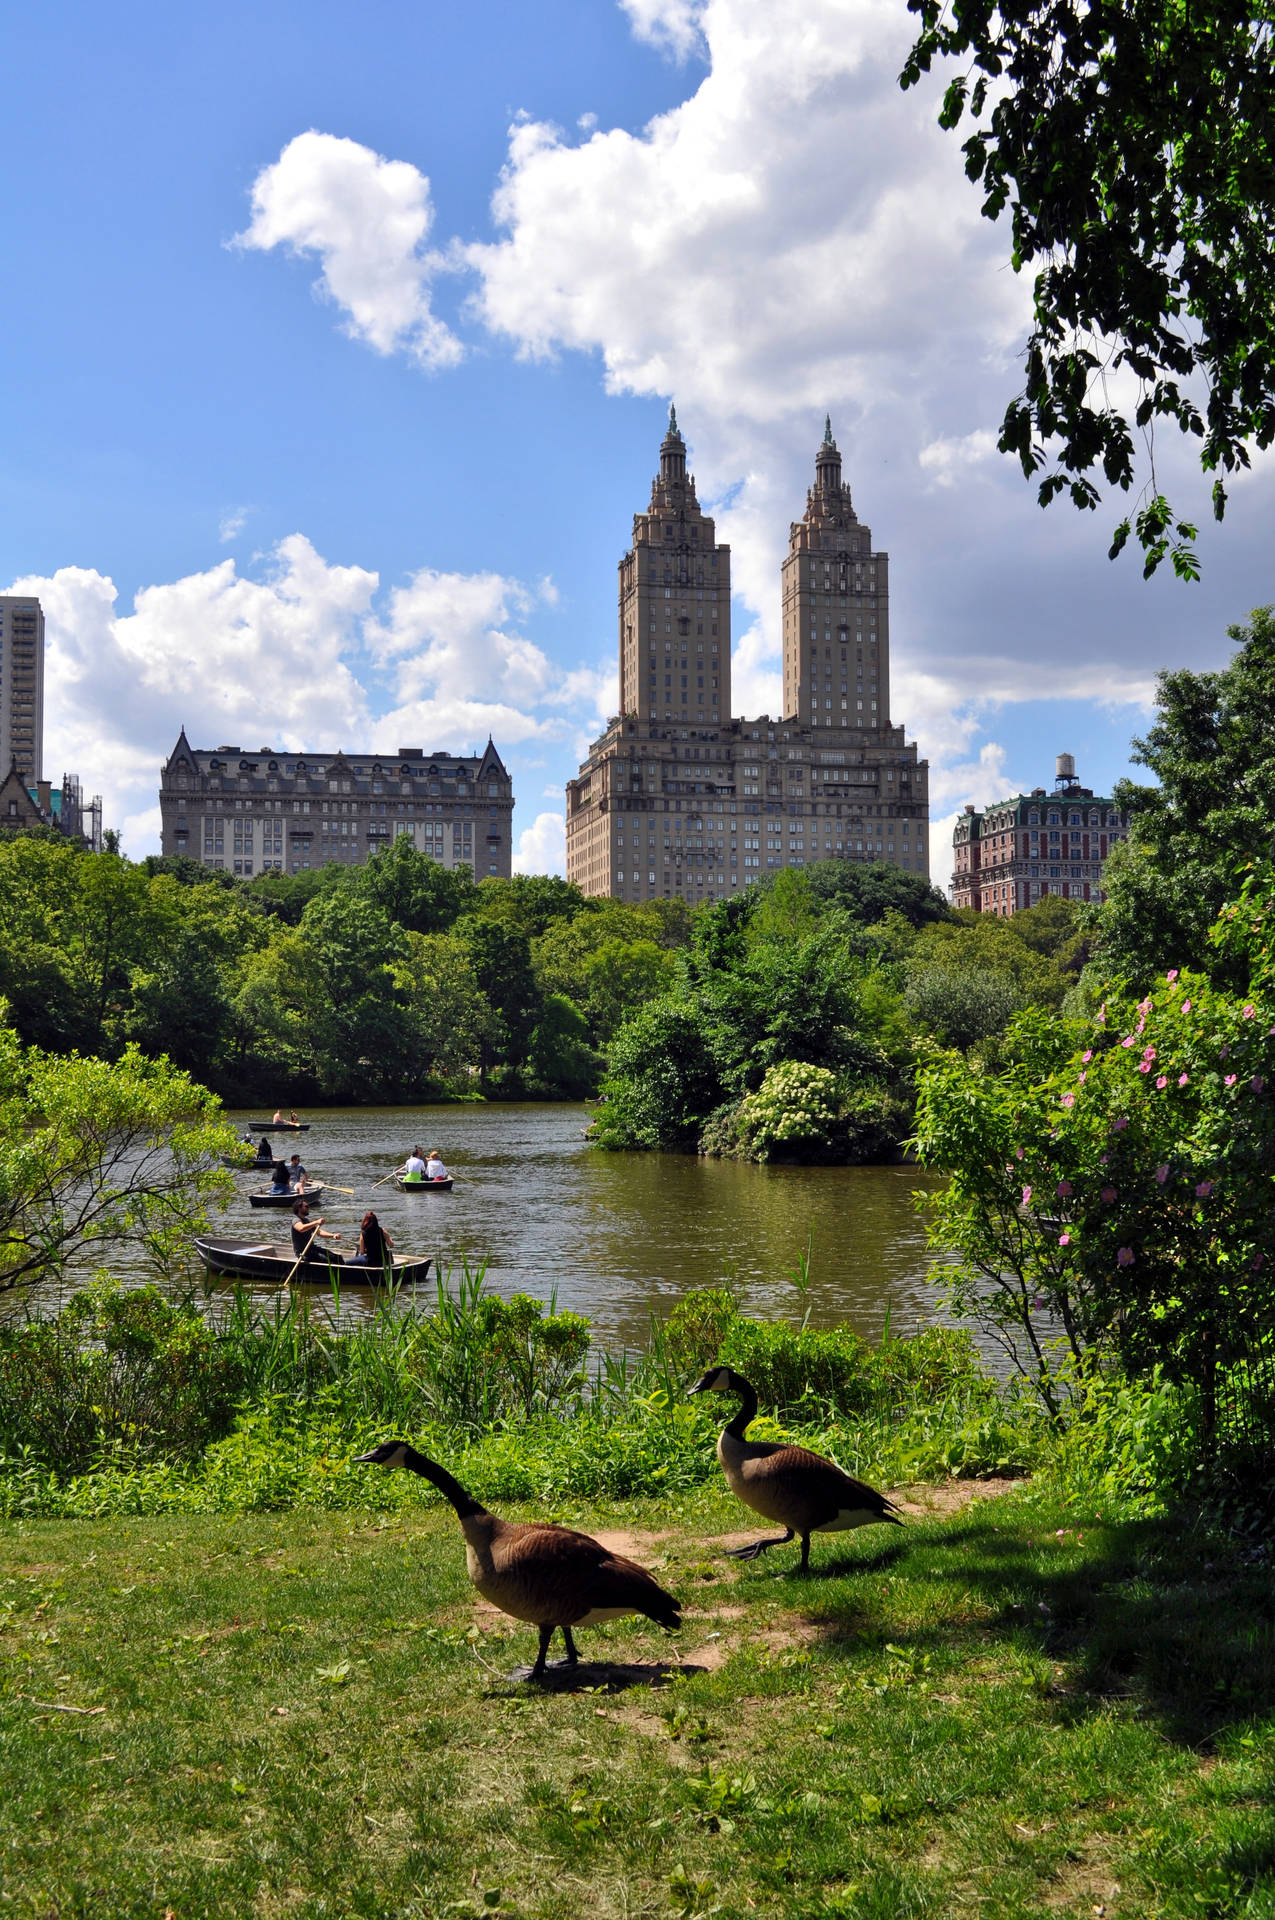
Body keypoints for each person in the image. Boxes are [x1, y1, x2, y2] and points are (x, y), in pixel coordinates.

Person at [290, 1198, 341, 1266]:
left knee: (336, 1257)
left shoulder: (307, 1221)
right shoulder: (296, 1220)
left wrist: (333, 1235)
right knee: (325, 1260)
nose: (308, 1208)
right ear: (299, 1208)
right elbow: (301, 1228)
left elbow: (319, 1232)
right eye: (306, 1206)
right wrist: (316, 1222)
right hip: (303, 1252)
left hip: (312, 1248)